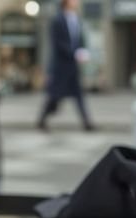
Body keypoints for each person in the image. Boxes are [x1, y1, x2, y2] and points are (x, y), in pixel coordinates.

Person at [37, 0, 95, 132]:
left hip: (73, 67)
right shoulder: (57, 21)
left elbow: (80, 40)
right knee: (54, 96)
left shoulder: (77, 19)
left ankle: (87, 122)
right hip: (61, 67)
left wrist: (82, 52)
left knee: (79, 96)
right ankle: (42, 120)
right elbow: (57, 43)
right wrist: (74, 53)